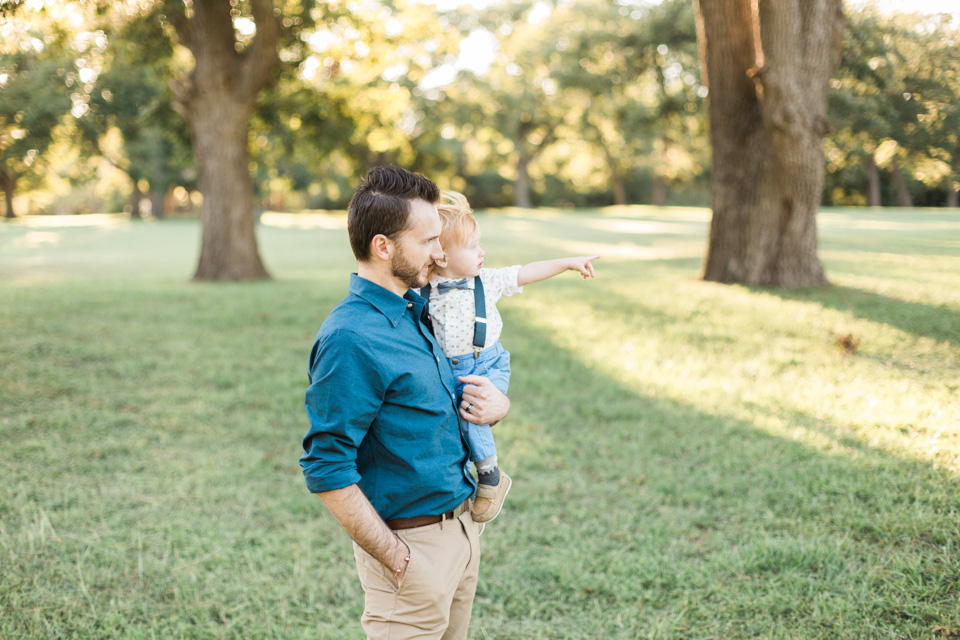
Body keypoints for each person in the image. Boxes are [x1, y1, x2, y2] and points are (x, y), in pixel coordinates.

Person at [300, 166, 511, 640]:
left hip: (461, 533)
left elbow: (448, 403)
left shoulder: (420, 309)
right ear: (383, 246)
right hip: (410, 550)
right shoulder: (351, 337)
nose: (440, 252)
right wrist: (396, 556)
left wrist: (497, 405)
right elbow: (326, 465)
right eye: (429, 240)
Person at [424, 191, 598, 523]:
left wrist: (567, 262)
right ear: (441, 257)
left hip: (488, 363)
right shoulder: (425, 287)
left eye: (480, 244)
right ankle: (460, 482)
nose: (482, 252)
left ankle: (490, 475)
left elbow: (526, 272)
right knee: (448, 421)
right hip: (450, 371)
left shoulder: (486, 281)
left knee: (472, 411)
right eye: (472, 247)